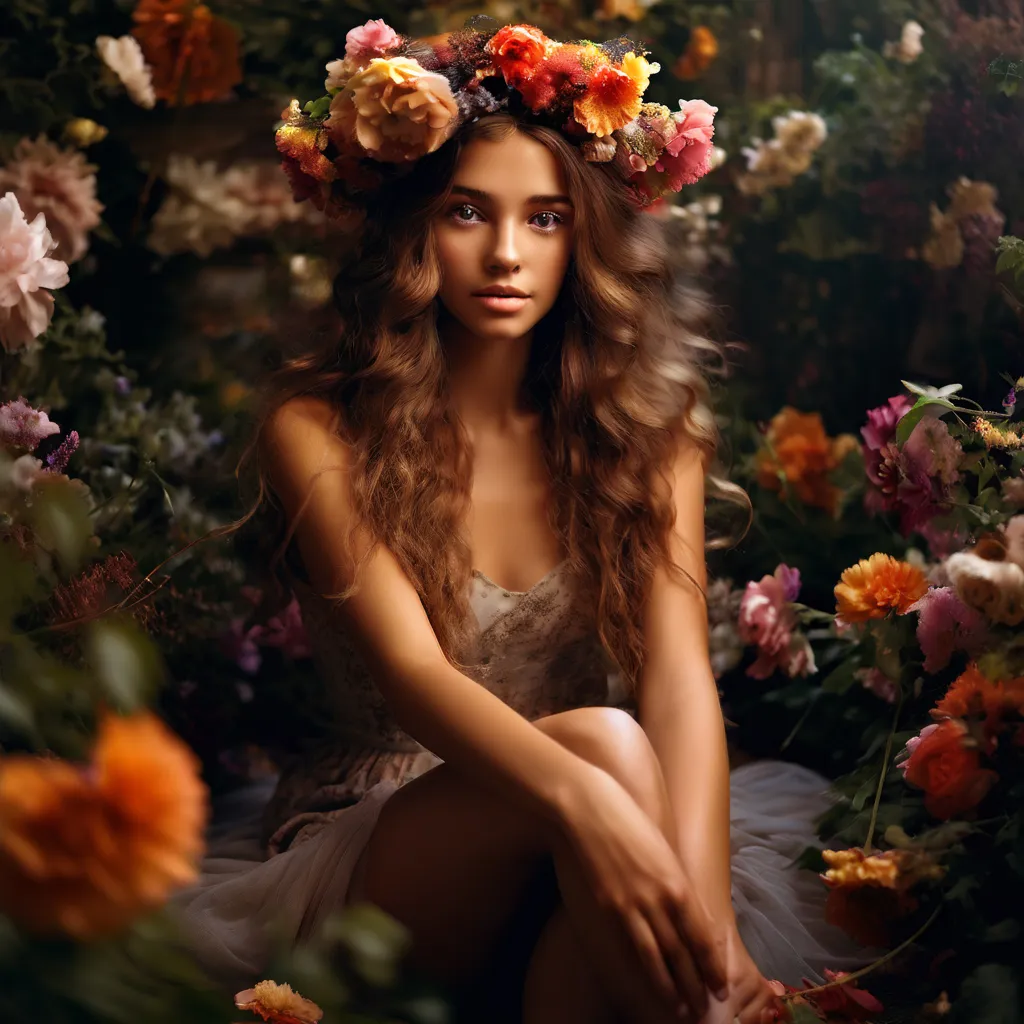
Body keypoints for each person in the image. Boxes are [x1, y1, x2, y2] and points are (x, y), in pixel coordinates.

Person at [172, 19, 878, 1024]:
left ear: (584, 235)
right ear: (415, 226)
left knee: (620, 891)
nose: (505, 253)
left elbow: (679, 682)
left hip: (604, 828)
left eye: (544, 219)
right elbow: (414, 681)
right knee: (603, 745)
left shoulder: (651, 430)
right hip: (395, 846)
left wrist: (713, 925)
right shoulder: (317, 426)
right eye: (468, 212)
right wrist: (584, 795)